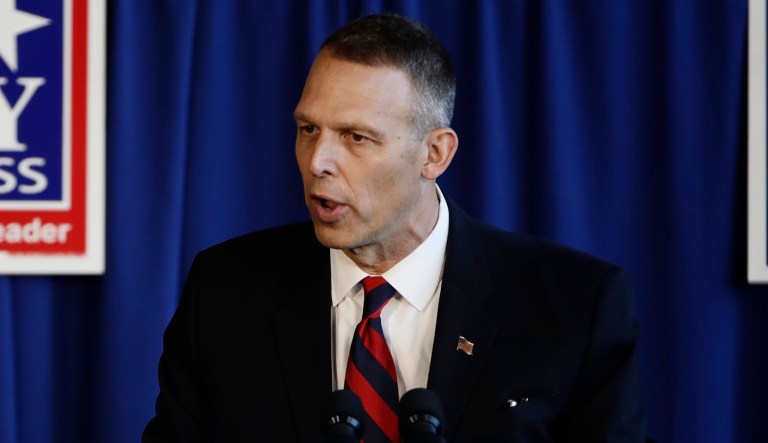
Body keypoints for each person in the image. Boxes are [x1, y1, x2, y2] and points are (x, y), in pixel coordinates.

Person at [142, 13, 645, 443]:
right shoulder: (225, 291)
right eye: (308, 129)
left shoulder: (576, 306)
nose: (319, 161)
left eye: (356, 137)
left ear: (435, 154)